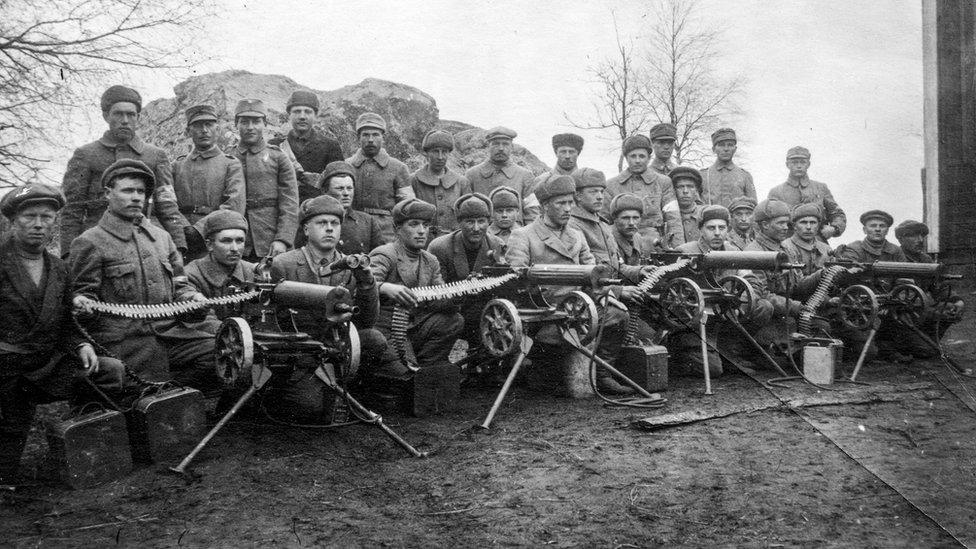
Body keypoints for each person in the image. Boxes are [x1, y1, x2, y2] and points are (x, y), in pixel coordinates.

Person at [0, 183, 124, 483]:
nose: (39, 224)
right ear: (12, 221)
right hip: (5, 370)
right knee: (6, 469)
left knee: (110, 371)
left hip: (45, 367)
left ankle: (81, 445)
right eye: (30, 216)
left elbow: (65, 320)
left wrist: (80, 343)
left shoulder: (59, 267)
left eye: (47, 216)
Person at [69, 160, 219, 391]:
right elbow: (82, 302)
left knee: (216, 352)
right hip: (124, 342)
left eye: (141, 191)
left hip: (169, 335)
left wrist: (194, 300)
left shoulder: (162, 238)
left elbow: (180, 287)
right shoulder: (90, 241)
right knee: (135, 400)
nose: (137, 197)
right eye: (128, 190)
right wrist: (83, 305)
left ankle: (174, 395)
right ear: (108, 193)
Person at [270, 195, 405, 422]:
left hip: (338, 345)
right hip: (300, 350)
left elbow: (367, 321)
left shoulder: (349, 265)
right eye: (322, 223)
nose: (329, 229)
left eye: (334, 224)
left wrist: (366, 282)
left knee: (374, 339)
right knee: (308, 408)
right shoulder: (286, 264)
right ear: (306, 229)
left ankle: (349, 388)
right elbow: (277, 319)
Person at [506, 175, 634, 395]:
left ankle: (602, 375)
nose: (568, 209)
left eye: (570, 203)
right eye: (560, 203)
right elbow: (515, 281)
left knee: (617, 315)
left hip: (575, 309)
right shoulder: (523, 235)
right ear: (545, 206)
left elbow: (594, 274)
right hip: (541, 313)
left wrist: (604, 294)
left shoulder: (577, 235)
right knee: (545, 384)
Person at [60, 85, 185, 255]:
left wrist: (179, 247)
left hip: (146, 241)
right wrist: (68, 254)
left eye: (131, 114)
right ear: (106, 116)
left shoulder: (155, 156)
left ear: (138, 117)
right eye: (118, 114)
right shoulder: (86, 155)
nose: (125, 120)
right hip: (99, 244)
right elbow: (72, 210)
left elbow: (167, 206)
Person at [369, 199, 464, 370]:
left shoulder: (430, 260)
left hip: (415, 325)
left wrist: (458, 295)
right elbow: (364, 286)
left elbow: (437, 298)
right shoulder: (385, 254)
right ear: (397, 229)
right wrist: (384, 287)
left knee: (453, 321)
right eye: (414, 225)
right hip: (387, 330)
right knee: (402, 375)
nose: (421, 231)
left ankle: (427, 366)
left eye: (426, 225)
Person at [427, 193, 504, 351]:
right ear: (459, 222)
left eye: (481, 221)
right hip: (449, 309)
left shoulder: (496, 245)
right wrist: (463, 289)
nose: (476, 228)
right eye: (470, 222)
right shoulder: (440, 247)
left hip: (482, 309)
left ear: (489, 222)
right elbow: (435, 292)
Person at [172, 104, 246, 261]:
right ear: (188, 131)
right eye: (197, 125)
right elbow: (166, 204)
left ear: (217, 130)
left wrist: (199, 230)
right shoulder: (177, 166)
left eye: (209, 125)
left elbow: (233, 205)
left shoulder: (230, 164)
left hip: (215, 239)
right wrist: (182, 228)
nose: (204, 130)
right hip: (179, 239)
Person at [230, 99, 300, 261]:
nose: (250, 127)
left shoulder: (278, 157)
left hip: (271, 239)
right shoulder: (228, 157)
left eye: (256, 121)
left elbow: (290, 203)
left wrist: (283, 239)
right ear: (236, 124)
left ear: (265, 124)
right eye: (244, 122)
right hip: (237, 240)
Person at [894, 220, 964, 351]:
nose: (920, 240)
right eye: (914, 236)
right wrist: (931, 311)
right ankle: (902, 343)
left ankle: (928, 340)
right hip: (902, 315)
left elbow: (939, 286)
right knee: (927, 350)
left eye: (922, 236)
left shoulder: (926, 260)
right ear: (901, 238)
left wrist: (957, 301)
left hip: (920, 312)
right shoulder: (894, 258)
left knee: (951, 308)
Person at [347, 112, 414, 243]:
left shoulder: (398, 167)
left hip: (387, 233)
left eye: (376, 135)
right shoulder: (347, 165)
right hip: (353, 228)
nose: (370, 139)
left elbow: (407, 205)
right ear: (358, 137)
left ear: (383, 137)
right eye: (365, 135)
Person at [270, 90, 345, 204]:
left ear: (315, 115)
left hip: (317, 211)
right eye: (297, 111)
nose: (302, 116)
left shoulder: (330, 146)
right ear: (289, 115)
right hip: (282, 209)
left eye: (308, 112)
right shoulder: (274, 145)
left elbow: (339, 183)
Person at [604, 134, 677, 249]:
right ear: (626, 157)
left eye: (642, 156)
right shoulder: (611, 185)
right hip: (620, 243)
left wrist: (677, 249)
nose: (637, 161)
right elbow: (604, 221)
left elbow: (673, 218)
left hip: (655, 243)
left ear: (648, 157)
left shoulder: (664, 182)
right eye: (633, 156)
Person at [184, 210, 255, 320]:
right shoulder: (192, 274)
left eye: (240, 241)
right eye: (226, 241)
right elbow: (200, 322)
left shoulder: (252, 272)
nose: (235, 249)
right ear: (209, 245)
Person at [768, 146, 846, 242]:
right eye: (794, 162)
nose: (799, 166)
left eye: (802, 162)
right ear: (787, 164)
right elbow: (768, 220)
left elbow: (837, 213)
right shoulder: (776, 192)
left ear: (808, 164)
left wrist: (834, 228)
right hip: (787, 244)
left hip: (818, 243)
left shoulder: (821, 188)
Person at [464, 126, 539, 223]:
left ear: (512, 147)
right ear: (488, 146)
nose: (501, 148)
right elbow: (466, 212)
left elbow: (532, 213)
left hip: (515, 235)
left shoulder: (525, 176)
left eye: (505, 144)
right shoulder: (472, 175)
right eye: (495, 144)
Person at [409, 129, 471, 241]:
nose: (440, 157)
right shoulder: (413, 180)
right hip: (422, 242)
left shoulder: (461, 182)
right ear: (426, 153)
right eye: (435, 151)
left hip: (454, 242)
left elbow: (467, 217)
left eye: (444, 152)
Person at [319, 160, 385, 254]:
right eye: (340, 188)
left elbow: (380, 255)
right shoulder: (315, 221)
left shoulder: (368, 222)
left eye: (349, 188)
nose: (346, 193)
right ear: (325, 191)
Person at [699, 128, 756, 208]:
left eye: (730, 145)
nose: (726, 149)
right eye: (721, 145)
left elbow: (753, 207)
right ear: (714, 149)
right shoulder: (703, 176)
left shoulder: (745, 176)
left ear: (735, 149)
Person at [781, 203, 833, 275]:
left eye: (813, 222)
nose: (808, 227)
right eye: (803, 222)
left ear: (818, 226)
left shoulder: (826, 250)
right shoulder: (785, 248)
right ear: (794, 226)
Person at [609, 193, 659, 266]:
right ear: (615, 218)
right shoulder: (607, 237)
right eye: (625, 218)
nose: (631, 223)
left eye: (635, 218)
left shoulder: (637, 237)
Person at [663, 166, 705, 248]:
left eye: (690, 187)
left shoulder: (705, 214)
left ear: (696, 190)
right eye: (680, 187)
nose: (685, 191)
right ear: (673, 190)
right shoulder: (665, 216)